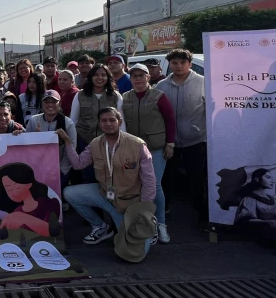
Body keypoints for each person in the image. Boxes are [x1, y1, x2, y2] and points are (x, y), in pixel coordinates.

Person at [59, 107, 157, 257]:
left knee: (136, 253)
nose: (108, 124)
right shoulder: (95, 143)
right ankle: (100, 226)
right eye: (104, 120)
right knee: (69, 193)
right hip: (106, 195)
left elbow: (149, 180)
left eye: (112, 120)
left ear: (120, 122)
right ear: (99, 123)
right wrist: (67, 142)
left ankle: (150, 224)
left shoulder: (137, 145)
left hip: (129, 203)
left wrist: (143, 211)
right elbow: (78, 164)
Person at [122, 64, 175, 243]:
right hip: (133, 149)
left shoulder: (158, 96)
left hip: (155, 148)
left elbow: (170, 120)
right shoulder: (125, 97)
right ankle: (143, 221)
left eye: (141, 75)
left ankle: (161, 223)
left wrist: (170, 144)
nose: (138, 78)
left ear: (148, 77)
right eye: (134, 76)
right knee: (135, 184)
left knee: (154, 185)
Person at [155, 49, 208, 225]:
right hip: (169, 142)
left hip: (196, 141)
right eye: (175, 63)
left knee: (196, 179)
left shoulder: (203, 82)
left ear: (190, 64)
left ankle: (203, 215)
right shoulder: (161, 85)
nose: (179, 66)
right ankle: (164, 210)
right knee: (167, 178)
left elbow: (211, 110)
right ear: (169, 65)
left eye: (183, 62)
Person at [25, 90, 78, 192]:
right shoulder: (33, 120)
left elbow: (71, 150)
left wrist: (61, 171)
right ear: (42, 104)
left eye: (54, 102)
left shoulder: (68, 123)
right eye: (47, 102)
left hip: (60, 169)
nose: (50, 105)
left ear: (60, 104)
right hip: (37, 168)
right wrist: (34, 138)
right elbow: (26, 147)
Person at [0, 162, 61, 236]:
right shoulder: (17, 211)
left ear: (29, 184)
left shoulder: (48, 203)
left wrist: (24, 218)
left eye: (17, 187)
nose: (14, 193)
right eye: (9, 189)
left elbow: (51, 231)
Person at [71, 64, 123, 147]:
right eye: (96, 75)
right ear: (91, 77)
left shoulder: (116, 96)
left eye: (103, 75)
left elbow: (121, 121)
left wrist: (121, 141)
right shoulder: (80, 95)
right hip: (83, 140)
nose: (100, 78)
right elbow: (73, 120)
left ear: (108, 77)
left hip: (108, 140)